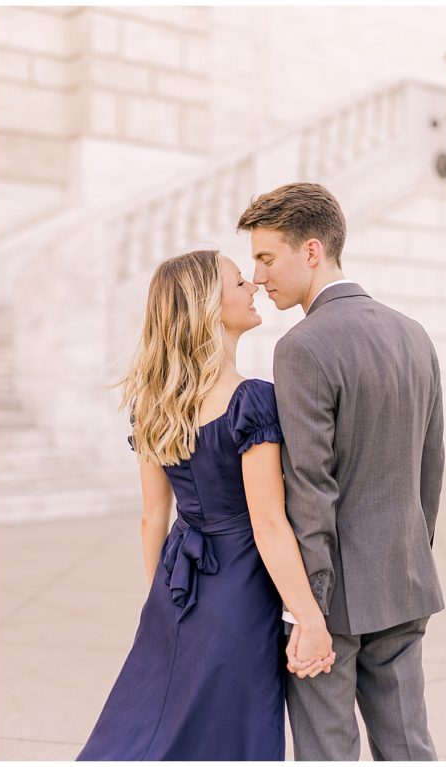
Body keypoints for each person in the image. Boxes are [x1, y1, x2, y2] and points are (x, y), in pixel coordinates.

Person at [77, 249, 335, 761]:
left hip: (177, 583)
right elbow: (268, 523)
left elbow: (154, 517)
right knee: (227, 733)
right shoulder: (251, 401)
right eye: (240, 282)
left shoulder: (153, 402)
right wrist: (310, 619)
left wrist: (161, 603)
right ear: (209, 308)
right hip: (238, 591)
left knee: (150, 721)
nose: (254, 287)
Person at [238, 182, 444, 760]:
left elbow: (311, 489)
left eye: (266, 257)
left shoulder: (303, 346)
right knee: (409, 747)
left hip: (332, 602)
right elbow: (431, 466)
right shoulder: (414, 334)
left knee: (328, 752)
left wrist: (308, 612)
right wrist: (411, 554)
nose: (257, 276)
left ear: (310, 251)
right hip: (403, 580)